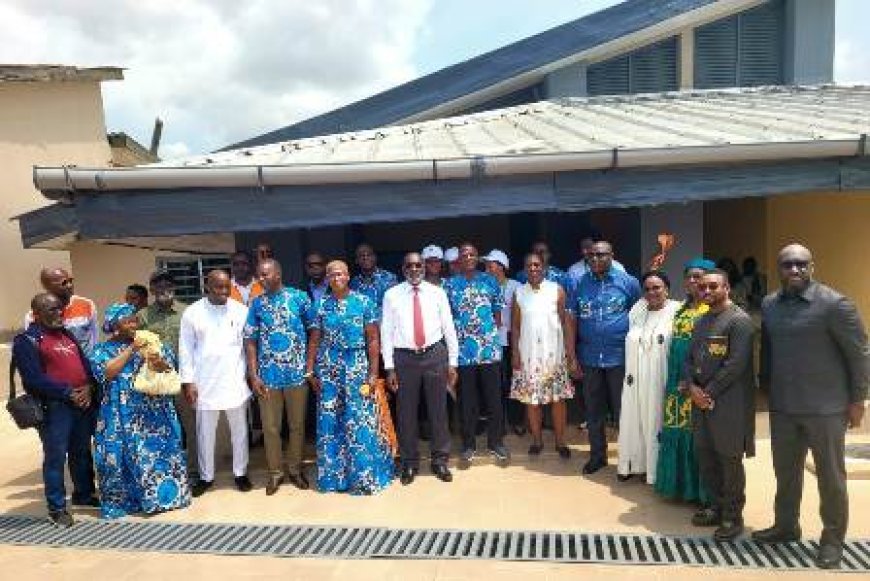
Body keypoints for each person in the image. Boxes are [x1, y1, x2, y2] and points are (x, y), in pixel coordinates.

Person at [753, 244, 869, 569]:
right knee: (785, 473)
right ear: (779, 268)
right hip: (785, 407)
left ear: (812, 267)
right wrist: (766, 389)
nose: (794, 270)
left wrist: (858, 400)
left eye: (801, 264)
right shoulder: (770, 305)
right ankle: (786, 527)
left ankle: (833, 540)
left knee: (831, 479)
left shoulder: (835, 305)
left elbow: (859, 354)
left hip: (826, 409)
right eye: (787, 265)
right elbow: (769, 352)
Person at [90, 303, 191, 519]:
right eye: (127, 321)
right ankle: (126, 502)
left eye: (134, 320)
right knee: (120, 455)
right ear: (113, 325)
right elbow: (106, 373)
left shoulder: (152, 342)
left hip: (153, 410)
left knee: (158, 453)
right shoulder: (101, 350)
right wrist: (132, 349)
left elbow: (169, 369)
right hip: (119, 412)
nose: (133, 324)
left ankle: (164, 497)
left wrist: (157, 359)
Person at [305, 260, 395, 495]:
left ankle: (363, 478)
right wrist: (309, 370)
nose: (336, 278)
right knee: (330, 422)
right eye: (331, 275)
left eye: (340, 274)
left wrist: (374, 372)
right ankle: (335, 479)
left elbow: (373, 340)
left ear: (348, 276)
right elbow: (314, 339)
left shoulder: (364, 302)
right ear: (327, 278)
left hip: (356, 366)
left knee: (359, 420)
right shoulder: (320, 305)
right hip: (329, 368)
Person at [13, 293, 98, 528]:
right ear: (36, 314)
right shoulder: (27, 340)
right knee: (55, 457)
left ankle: (84, 494)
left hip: (81, 403)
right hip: (55, 408)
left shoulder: (66, 335)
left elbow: (85, 366)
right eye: (52, 310)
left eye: (60, 309)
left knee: (81, 452)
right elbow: (33, 379)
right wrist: (68, 392)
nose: (59, 313)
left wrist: (89, 387)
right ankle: (57, 508)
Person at [683, 269, 755, 541]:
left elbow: (735, 365)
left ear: (726, 288)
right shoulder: (701, 321)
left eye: (713, 286)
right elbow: (688, 358)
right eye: (702, 287)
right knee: (707, 456)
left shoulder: (739, 322)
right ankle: (714, 506)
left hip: (728, 404)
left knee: (729, 460)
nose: (707, 291)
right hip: (701, 401)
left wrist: (706, 393)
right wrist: (691, 387)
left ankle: (732, 517)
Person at [381, 252, 458, 485]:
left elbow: (449, 327)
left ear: (424, 267)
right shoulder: (391, 295)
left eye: (418, 265)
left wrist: (453, 362)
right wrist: (389, 368)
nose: (414, 269)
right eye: (409, 265)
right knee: (406, 414)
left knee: (438, 412)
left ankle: (440, 460)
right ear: (402, 269)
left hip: (435, 355)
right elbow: (386, 332)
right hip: (404, 359)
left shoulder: (438, 293)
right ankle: (409, 463)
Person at [568, 241, 641, 475]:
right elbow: (571, 320)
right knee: (593, 411)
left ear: (612, 255)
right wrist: (571, 355)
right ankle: (597, 456)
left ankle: (627, 459)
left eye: (601, 255)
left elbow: (639, 316)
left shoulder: (628, 283)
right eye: (591, 255)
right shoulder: (578, 283)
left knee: (624, 411)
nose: (595, 259)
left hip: (620, 357)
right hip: (589, 358)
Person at [179, 270, 252, 496]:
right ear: (207, 287)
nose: (223, 292)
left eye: (226, 288)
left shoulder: (240, 310)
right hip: (205, 382)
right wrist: (188, 382)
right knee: (205, 433)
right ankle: (206, 477)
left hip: (234, 380)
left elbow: (248, 346)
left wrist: (250, 374)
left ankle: (240, 473)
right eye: (218, 287)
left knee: (239, 431)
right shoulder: (192, 313)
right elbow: (185, 349)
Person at [244, 259, 313, 495]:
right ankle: (275, 473)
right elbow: (250, 341)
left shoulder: (300, 298)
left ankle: (295, 470)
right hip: (268, 377)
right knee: (271, 428)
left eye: (264, 275)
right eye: (258, 275)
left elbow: (314, 330)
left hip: (296, 374)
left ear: (278, 273)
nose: (260, 279)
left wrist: (309, 365)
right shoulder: (256, 304)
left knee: (297, 425)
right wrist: (253, 375)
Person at [654, 259, 716, 504]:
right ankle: (678, 487)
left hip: (696, 379)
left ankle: (700, 493)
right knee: (676, 430)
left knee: (696, 435)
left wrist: (692, 380)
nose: (693, 280)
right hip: (675, 379)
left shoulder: (711, 310)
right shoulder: (680, 308)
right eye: (689, 276)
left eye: (698, 276)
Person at [444, 243, 510, 466]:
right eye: (465, 255)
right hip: (463, 353)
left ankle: (496, 442)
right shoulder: (450, 285)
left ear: (477, 258)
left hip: (490, 351)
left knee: (494, 399)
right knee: (467, 401)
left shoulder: (491, 281)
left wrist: (483, 333)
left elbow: (498, 317)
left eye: (473, 254)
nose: (469, 257)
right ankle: (468, 444)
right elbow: (447, 320)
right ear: (459, 260)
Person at [510, 253, 578, 457]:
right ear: (524, 268)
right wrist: (515, 353)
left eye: (537, 264)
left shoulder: (556, 290)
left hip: (553, 355)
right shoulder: (519, 293)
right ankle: (537, 441)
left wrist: (570, 353)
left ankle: (560, 442)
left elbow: (565, 323)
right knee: (532, 400)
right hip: (529, 355)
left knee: (558, 400)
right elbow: (515, 326)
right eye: (529, 265)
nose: (533, 268)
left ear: (544, 268)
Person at [617, 271, 681, 483]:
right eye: (647, 288)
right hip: (635, 379)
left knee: (656, 423)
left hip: (659, 379)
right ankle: (635, 464)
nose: (652, 292)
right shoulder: (638, 309)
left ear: (667, 289)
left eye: (657, 287)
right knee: (634, 421)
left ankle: (656, 472)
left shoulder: (677, 311)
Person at [138, 269, 197, 480]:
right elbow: (139, 347)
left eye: (168, 284)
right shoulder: (143, 316)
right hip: (158, 383)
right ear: (152, 289)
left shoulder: (188, 311)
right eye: (159, 285)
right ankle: (166, 471)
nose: (164, 289)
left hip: (183, 380)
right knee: (162, 427)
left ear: (175, 287)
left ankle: (193, 471)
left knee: (190, 427)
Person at [483, 249, 525, 436]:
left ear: (501, 266)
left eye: (490, 263)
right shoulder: (483, 285)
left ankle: (516, 420)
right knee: (495, 385)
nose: (486, 267)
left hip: (510, 341)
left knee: (513, 382)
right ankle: (497, 423)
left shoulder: (516, 286)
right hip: (490, 343)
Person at [25, 267, 98, 355]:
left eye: (70, 280)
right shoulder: (35, 315)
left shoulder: (87, 305)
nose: (69, 285)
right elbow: (34, 346)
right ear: (48, 287)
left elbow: (95, 339)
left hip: (86, 365)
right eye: (64, 282)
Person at [350, 243, 397, 319]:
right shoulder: (354, 283)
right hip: (362, 325)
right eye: (362, 256)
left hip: (385, 323)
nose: (365, 258)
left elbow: (395, 304)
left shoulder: (389, 278)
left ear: (375, 257)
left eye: (369, 255)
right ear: (356, 260)